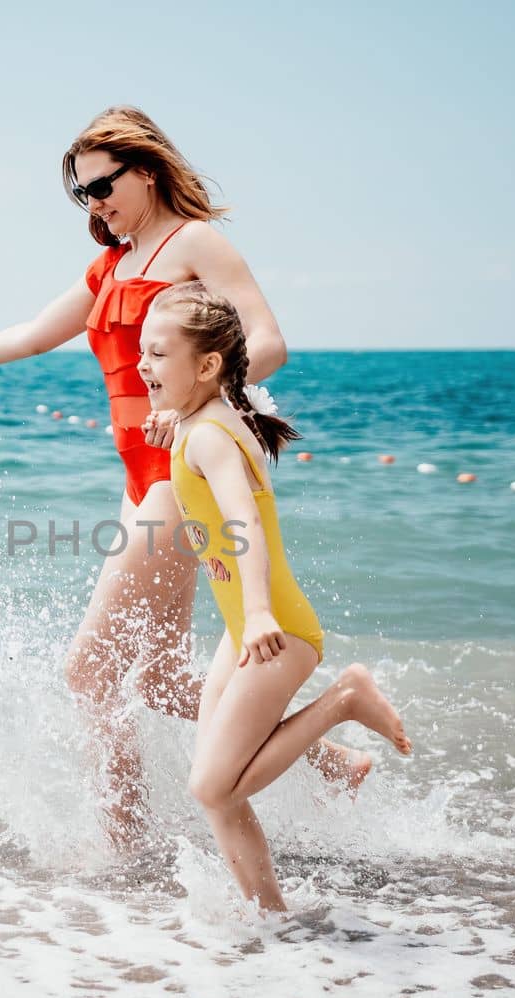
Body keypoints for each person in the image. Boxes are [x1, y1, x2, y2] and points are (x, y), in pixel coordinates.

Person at [0, 106, 379, 849]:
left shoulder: (195, 244)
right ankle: (330, 760)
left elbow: (268, 340)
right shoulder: (109, 267)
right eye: (81, 194)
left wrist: (204, 406)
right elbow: (33, 333)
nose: (94, 203)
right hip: (137, 483)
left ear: (146, 170)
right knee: (154, 678)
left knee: (88, 668)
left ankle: (123, 847)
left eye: (103, 184)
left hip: (180, 471)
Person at [138, 279, 412, 911]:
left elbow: (244, 523)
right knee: (217, 783)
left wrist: (258, 612)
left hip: (274, 629)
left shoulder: (208, 435)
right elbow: (197, 432)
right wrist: (171, 419)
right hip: (244, 629)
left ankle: (345, 699)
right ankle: (270, 915)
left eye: (157, 354)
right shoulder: (204, 419)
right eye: (143, 352)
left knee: (213, 788)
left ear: (206, 366)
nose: (143, 365)